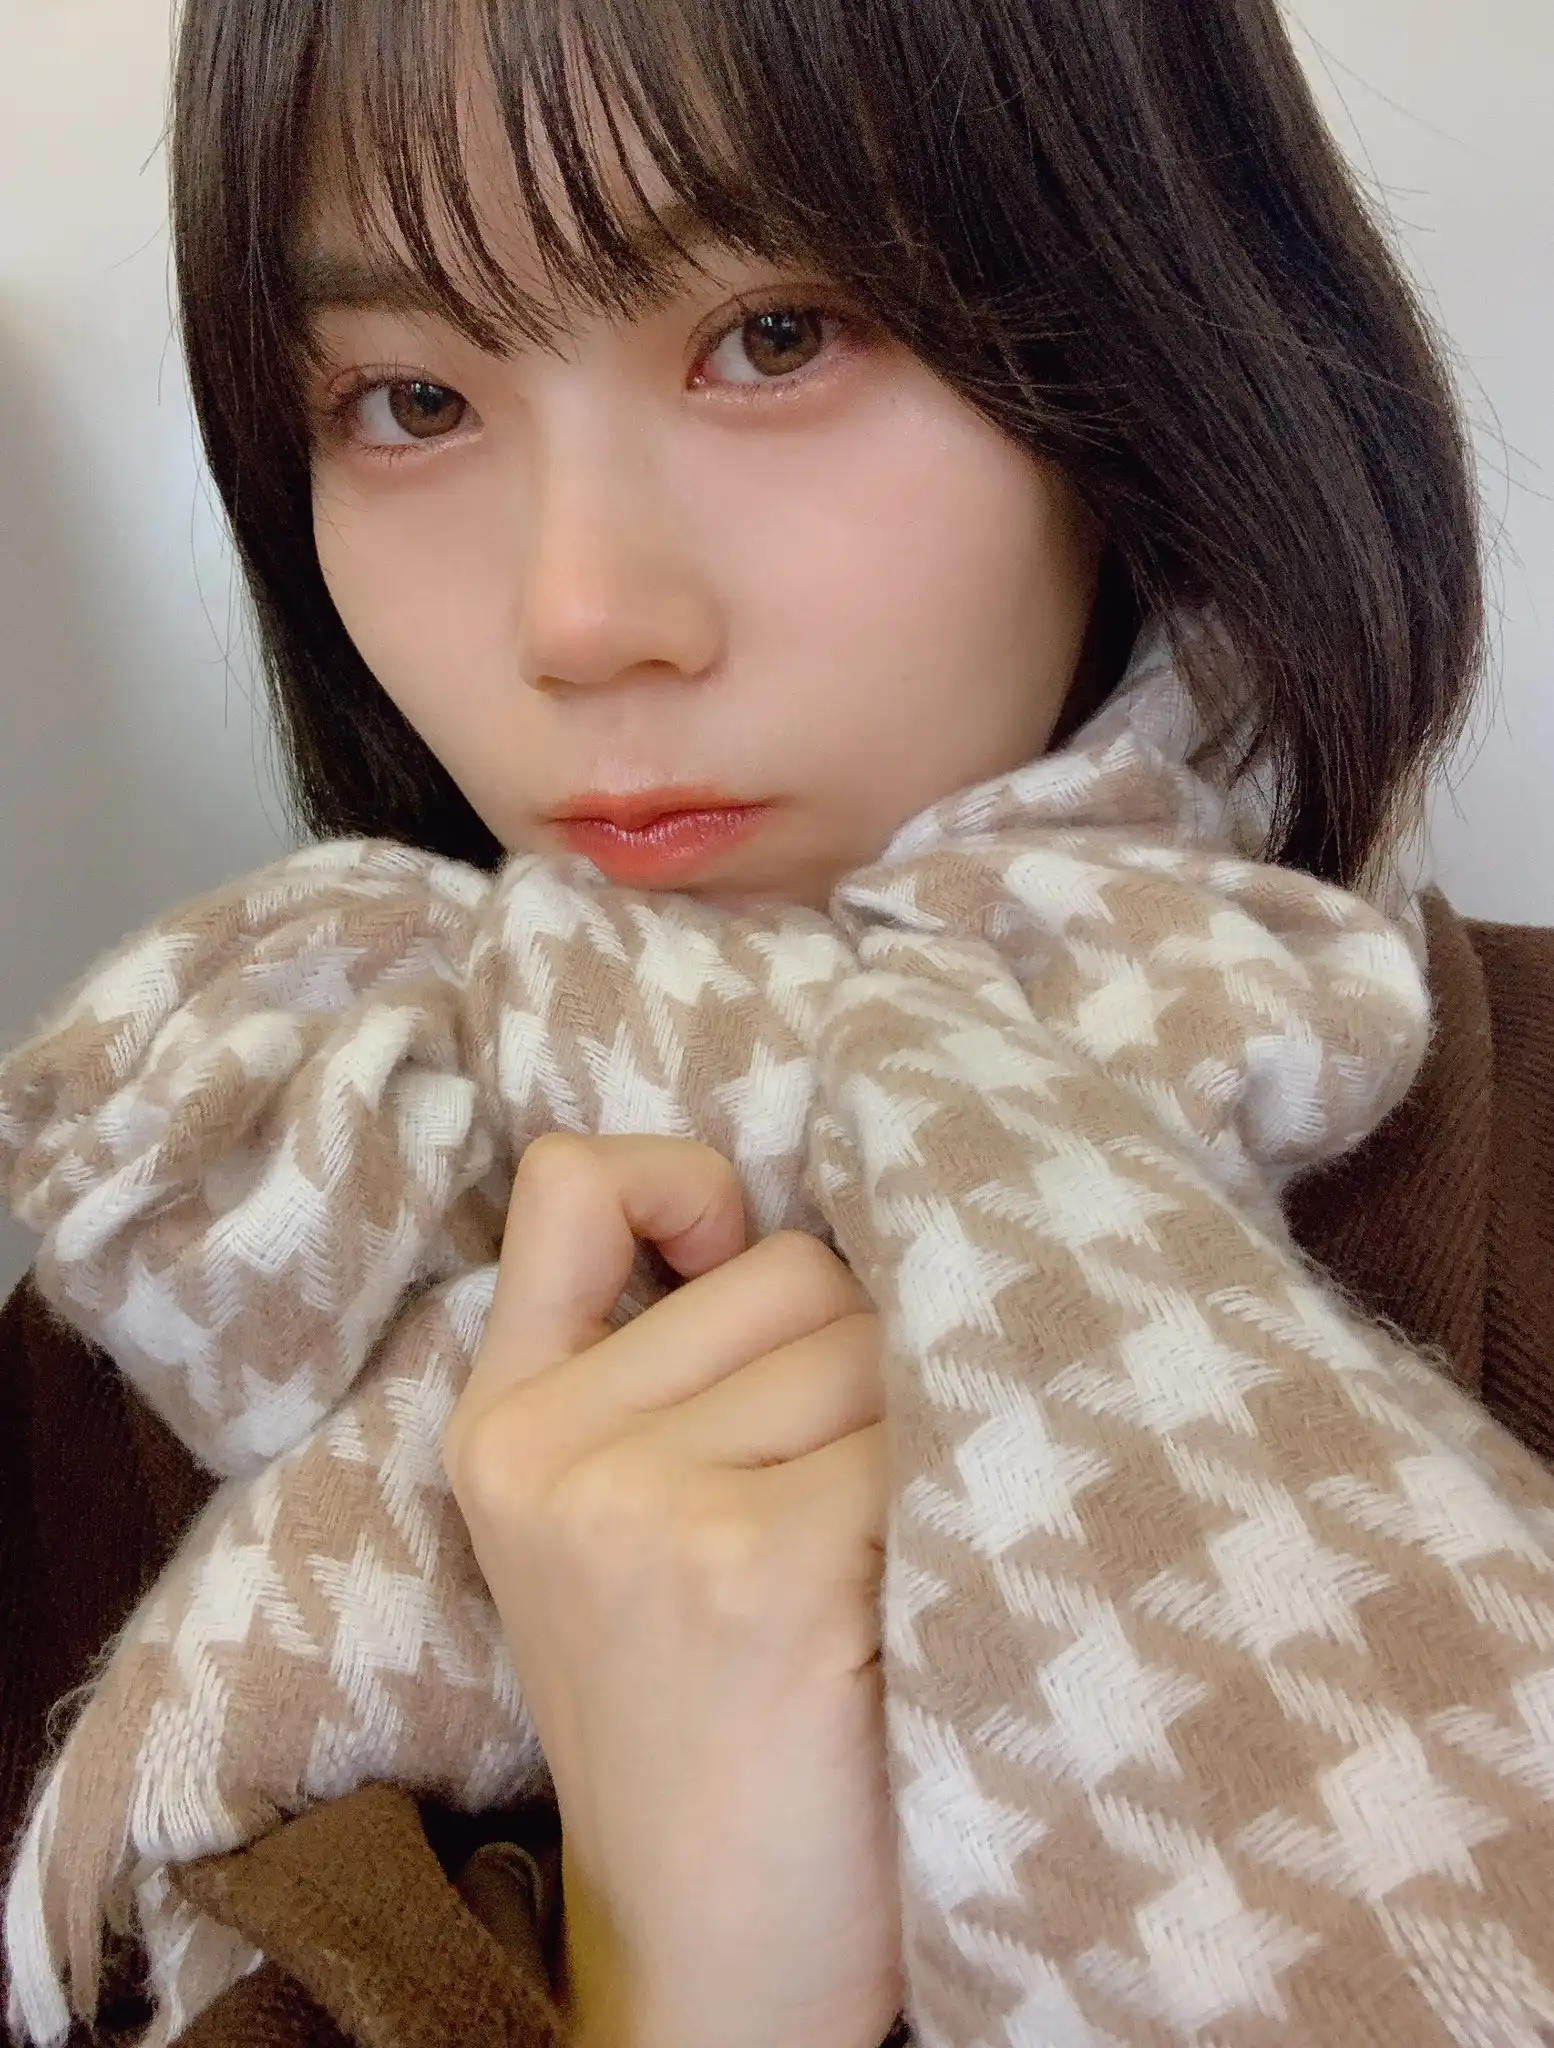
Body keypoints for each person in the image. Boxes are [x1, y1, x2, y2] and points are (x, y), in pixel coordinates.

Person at [3, 0, 1553, 2043]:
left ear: (1153, 326)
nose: (578, 618)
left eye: (778, 335)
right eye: (408, 399)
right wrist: (675, 1975)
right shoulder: (195, 1263)